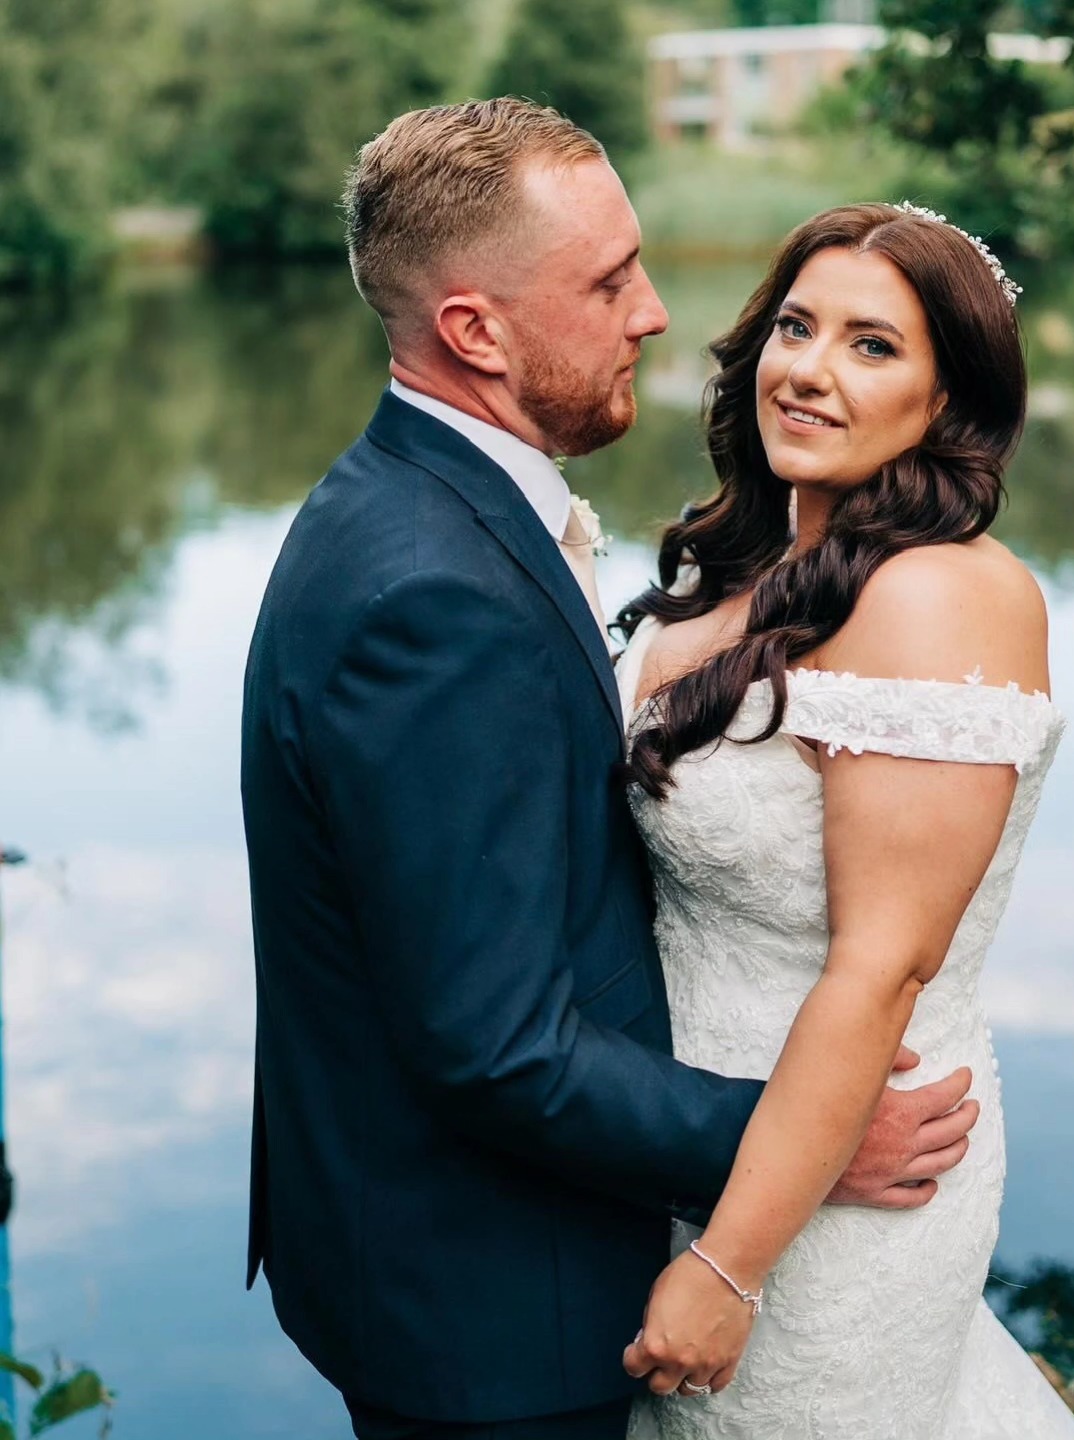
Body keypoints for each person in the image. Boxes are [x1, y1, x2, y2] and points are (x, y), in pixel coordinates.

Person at [239, 100, 979, 1440]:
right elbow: (497, 1047)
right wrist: (797, 1144)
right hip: (500, 1309)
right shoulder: (432, 597)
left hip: (493, 1254)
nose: (655, 313)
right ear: (476, 331)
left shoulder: (415, 506)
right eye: (607, 280)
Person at [616, 203, 1074, 1438]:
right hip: (691, 1147)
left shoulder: (942, 599)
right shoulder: (742, 578)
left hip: (831, 1202)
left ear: (949, 401)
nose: (810, 370)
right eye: (795, 326)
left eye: (873, 346)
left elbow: (881, 969)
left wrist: (731, 1265)